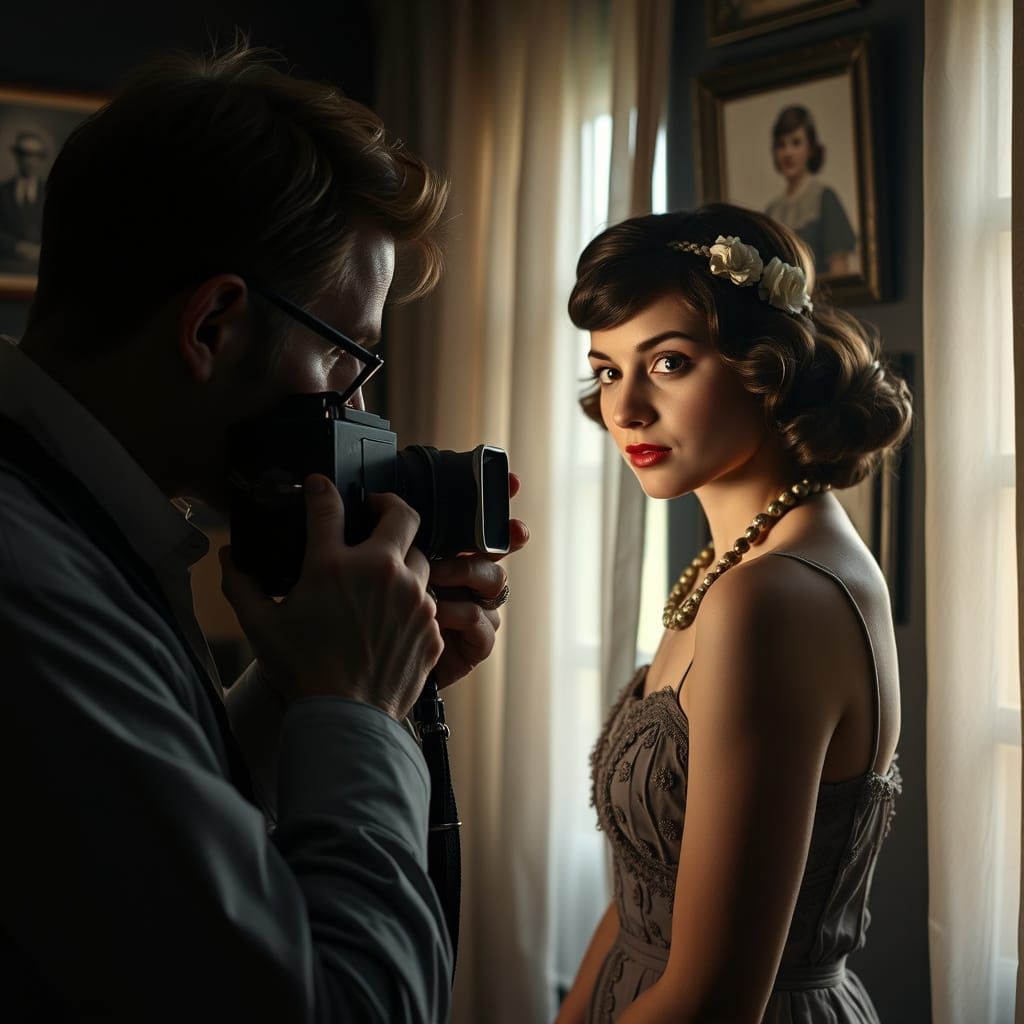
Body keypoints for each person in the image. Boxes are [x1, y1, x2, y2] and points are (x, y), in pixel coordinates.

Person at [0, 43, 527, 1023]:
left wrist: (303, 686)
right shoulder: (33, 585)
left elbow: (159, 851)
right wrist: (359, 709)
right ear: (213, 326)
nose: (359, 402)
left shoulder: (63, 515)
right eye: (341, 353)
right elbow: (340, 1004)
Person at [556, 203, 911, 1023]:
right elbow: (651, 886)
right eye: (608, 370)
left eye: (668, 362)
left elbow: (712, 1001)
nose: (626, 409)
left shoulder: (772, 598)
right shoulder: (730, 568)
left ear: (766, 366)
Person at [764, 106, 856, 277]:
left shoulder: (824, 198)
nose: (788, 153)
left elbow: (839, 270)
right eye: (781, 145)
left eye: (796, 142)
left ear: (811, 149)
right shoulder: (772, 211)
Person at [0, 129, 48, 272]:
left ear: (40, 159)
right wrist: (17, 246)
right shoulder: (2, 192)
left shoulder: (51, 192)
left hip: (43, 268)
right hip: (7, 266)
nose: (30, 161)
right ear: (17, 156)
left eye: (35, 155)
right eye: (25, 154)